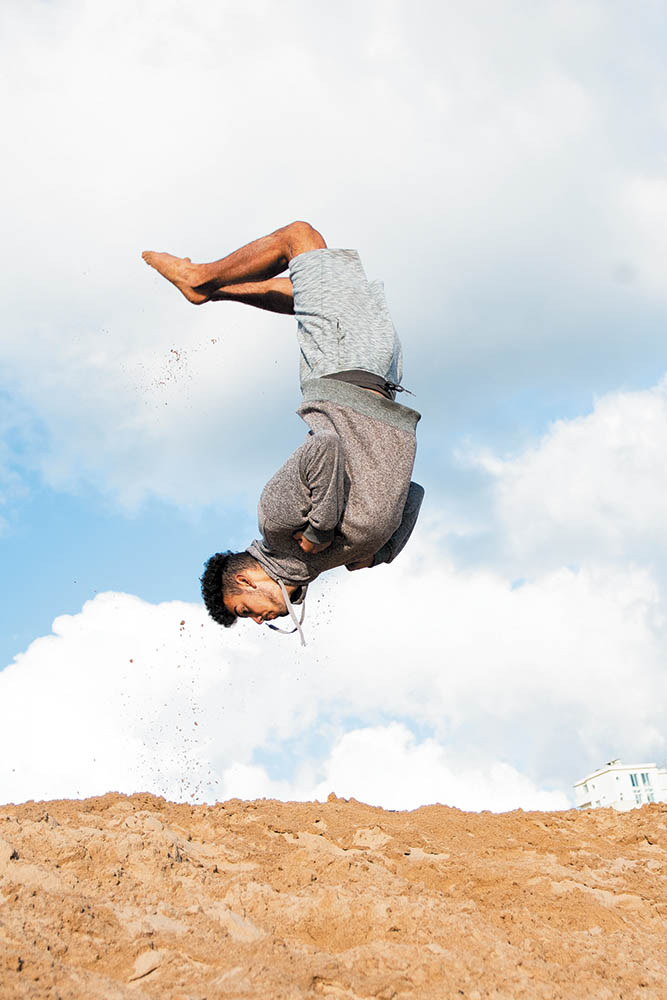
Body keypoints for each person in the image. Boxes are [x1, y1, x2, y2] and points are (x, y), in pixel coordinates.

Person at [142, 221, 424, 644]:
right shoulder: (335, 562)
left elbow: (325, 448)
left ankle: (200, 280)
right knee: (313, 293)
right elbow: (412, 491)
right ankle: (215, 291)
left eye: (245, 611)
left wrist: (317, 531)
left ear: (250, 581)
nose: (258, 621)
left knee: (300, 239)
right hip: (381, 383)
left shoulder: (276, 525)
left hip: (342, 374)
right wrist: (381, 551)